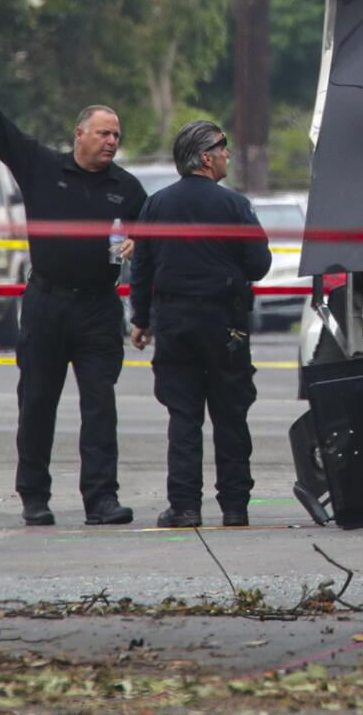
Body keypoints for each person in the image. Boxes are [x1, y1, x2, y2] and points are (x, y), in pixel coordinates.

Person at [0, 54, 146, 527]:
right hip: (47, 303)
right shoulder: (42, 167)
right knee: (36, 404)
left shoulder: (127, 189)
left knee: (100, 407)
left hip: (98, 308)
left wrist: (139, 243)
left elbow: (149, 238)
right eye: (104, 132)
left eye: (117, 135)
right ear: (80, 134)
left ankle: (101, 500)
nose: (112, 140)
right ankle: (34, 496)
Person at [129, 120, 271, 527]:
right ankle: (235, 507)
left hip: (173, 324)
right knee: (231, 414)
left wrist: (140, 319)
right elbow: (259, 265)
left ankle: (186, 507)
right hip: (226, 322)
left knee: (184, 416)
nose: (228, 153)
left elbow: (142, 267)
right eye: (223, 147)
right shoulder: (234, 206)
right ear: (206, 157)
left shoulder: (156, 206)